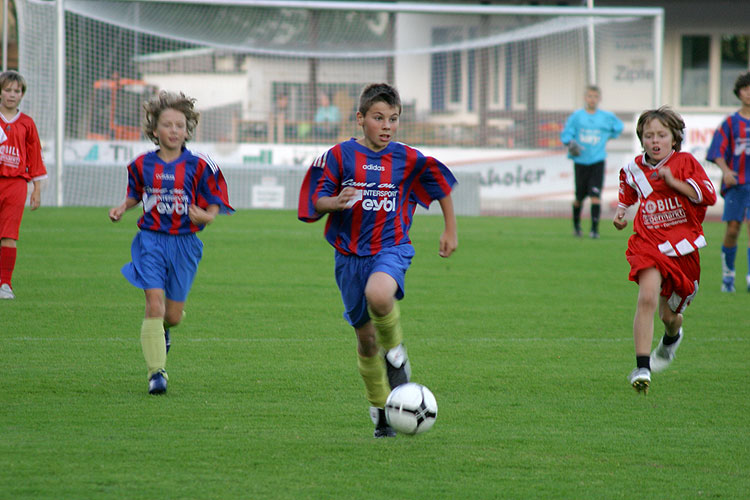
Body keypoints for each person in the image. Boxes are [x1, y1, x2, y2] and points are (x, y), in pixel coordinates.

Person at [298, 83, 458, 437]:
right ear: (360, 119)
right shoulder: (339, 157)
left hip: (391, 247)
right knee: (366, 340)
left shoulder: (407, 158)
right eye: (378, 118)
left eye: (394, 119)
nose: (387, 125)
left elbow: (440, 185)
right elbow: (315, 199)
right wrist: (335, 201)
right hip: (349, 256)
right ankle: (380, 407)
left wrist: (450, 229)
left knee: (380, 295)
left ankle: (397, 352)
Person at [109, 91, 233, 395]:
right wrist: (123, 207)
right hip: (150, 240)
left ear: (188, 130)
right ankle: (156, 373)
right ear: (155, 130)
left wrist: (205, 215)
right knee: (153, 303)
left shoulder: (201, 165)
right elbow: (137, 193)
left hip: (185, 244)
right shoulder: (141, 164)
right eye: (168, 125)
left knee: (172, 316)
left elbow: (215, 202)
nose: (174, 130)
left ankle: (164, 330)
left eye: (180, 125)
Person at [613, 107, 716, 394]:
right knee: (646, 297)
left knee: (669, 316)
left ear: (674, 138)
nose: (654, 141)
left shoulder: (685, 163)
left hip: (682, 247)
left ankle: (671, 338)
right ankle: (642, 366)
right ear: (641, 139)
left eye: (661, 135)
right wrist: (622, 212)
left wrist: (674, 183)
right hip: (648, 242)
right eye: (648, 136)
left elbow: (708, 195)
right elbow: (629, 187)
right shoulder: (635, 167)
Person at [0, 70, 48, 300]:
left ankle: (5, 284)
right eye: (7, 90)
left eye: (16, 91)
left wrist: (37, 189)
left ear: (22, 94)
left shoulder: (27, 123)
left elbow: (35, 157)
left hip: (16, 184)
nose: (11, 95)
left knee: (9, 235)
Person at [706, 71, 750, 292]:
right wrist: (725, 170)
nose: (749, 93)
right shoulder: (731, 123)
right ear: (738, 93)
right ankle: (728, 276)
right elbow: (717, 150)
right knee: (733, 229)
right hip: (736, 185)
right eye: (745, 88)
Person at [561, 85, 624, 238]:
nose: (592, 99)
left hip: (597, 160)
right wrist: (569, 142)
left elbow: (618, 127)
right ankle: (576, 227)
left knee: (596, 195)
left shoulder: (605, 116)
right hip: (581, 161)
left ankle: (594, 230)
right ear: (585, 98)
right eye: (589, 96)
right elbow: (566, 134)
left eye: (595, 96)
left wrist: (609, 135)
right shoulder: (577, 116)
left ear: (599, 99)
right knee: (579, 197)